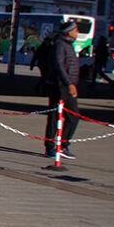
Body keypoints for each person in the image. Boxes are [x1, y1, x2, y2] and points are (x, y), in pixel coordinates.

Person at [44, 19, 81, 159]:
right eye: (76, 29)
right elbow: (59, 65)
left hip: (66, 85)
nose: (77, 32)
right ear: (69, 31)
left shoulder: (67, 44)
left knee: (67, 116)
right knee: (63, 116)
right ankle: (56, 146)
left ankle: (59, 146)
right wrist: (69, 83)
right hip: (60, 85)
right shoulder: (60, 44)